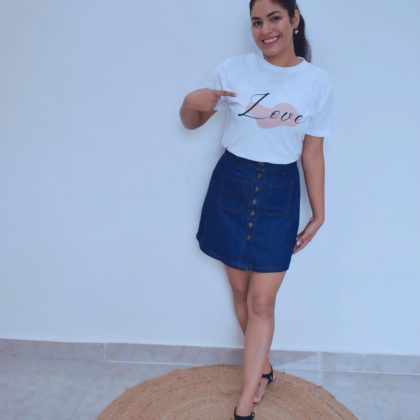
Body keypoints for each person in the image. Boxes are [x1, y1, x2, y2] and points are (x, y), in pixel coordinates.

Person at [179, 0, 333, 418]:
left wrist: (319, 214)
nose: (265, 30)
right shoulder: (233, 70)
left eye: (274, 18)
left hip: (280, 191)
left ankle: (245, 401)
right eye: (257, 22)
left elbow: (313, 154)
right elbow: (191, 121)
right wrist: (191, 101)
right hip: (232, 183)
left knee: (263, 301)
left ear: (294, 19)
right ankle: (262, 369)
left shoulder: (317, 82)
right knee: (241, 293)